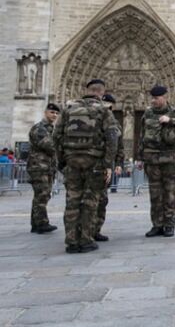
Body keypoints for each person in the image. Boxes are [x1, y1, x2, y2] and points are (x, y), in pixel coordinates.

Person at [53, 79, 120, 254]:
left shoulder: (68, 110)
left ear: (87, 90)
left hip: (72, 162)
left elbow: (56, 136)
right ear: (101, 92)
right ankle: (86, 239)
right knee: (90, 201)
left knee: (72, 201)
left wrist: (62, 161)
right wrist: (107, 164)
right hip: (94, 163)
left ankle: (71, 242)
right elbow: (112, 138)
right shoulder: (104, 110)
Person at [139, 85, 175, 238]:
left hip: (169, 160)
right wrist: (140, 157)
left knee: (169, 194)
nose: (153, 101)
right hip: (151, 160)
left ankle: (169, 225)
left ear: (165, 97)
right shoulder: (148, 113)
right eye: (152, 98)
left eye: (156, 98)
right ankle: (157, 225)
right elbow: (142, 137)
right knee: (154, 195)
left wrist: (171, 120)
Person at [93, 94, 125, 242]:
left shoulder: (113, 123)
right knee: (85, 201)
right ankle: (82, 234)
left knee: (101, 200)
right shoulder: (90, 120)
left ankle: (95, 230)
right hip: (88, 165)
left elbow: (118, 144)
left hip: (102, 167)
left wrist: (118, 163)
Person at [27, 103, 60, 234]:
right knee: (42, 194)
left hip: (46, 167)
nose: (55, 115)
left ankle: (36, 223)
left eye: (57, 113)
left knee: (42, 195)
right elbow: (50, 146)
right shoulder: (39, 129)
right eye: (52, 112)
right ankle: (41, 223)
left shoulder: (50, 129)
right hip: (38, 167)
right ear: (46, 112)